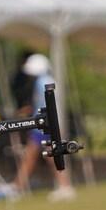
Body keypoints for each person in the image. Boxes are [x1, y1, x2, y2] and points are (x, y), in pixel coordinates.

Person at [13, 53, 76, 202]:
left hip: (44, 126)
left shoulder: (42, 82)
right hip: (47, 124)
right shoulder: (47, 80)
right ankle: (19, 186)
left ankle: (18, 187)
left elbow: (45, 106)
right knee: (44, 155)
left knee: (41, 156)